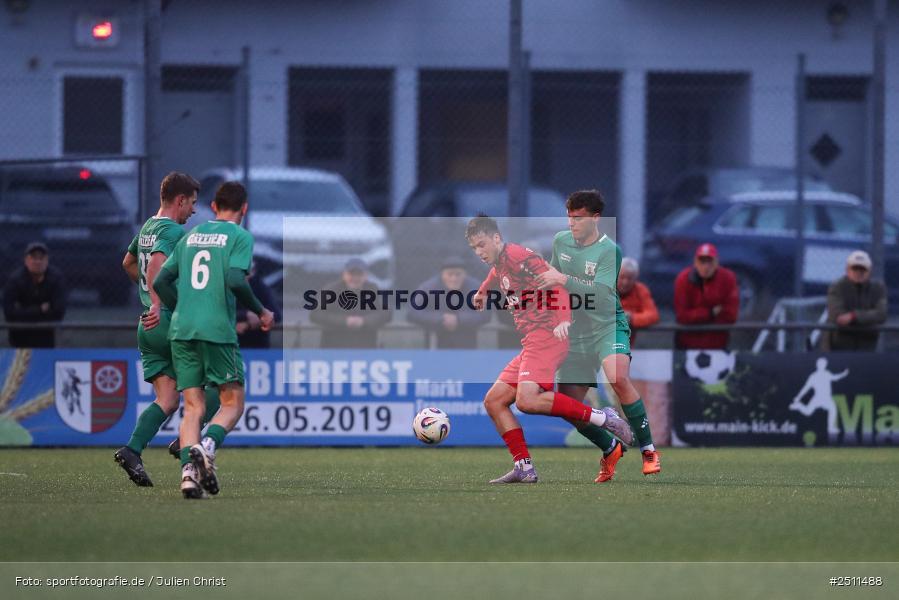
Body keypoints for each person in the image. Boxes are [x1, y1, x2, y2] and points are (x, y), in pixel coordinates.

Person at [467, 215, 633, 484]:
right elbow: (497, 272)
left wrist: (564, 319)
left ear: (497, 238)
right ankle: (524, 467)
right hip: (531, 341)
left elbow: (556, 282)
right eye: (474, 248)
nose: (479, 252)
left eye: (482, 244)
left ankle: (603, 417)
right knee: (494, 401)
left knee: (527, 400)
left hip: (547, 337)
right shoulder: (501, 261)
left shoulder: (519, 255)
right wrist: (484, 290)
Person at [154, 181, 275, 499]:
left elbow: (161, 280)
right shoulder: (239, 236)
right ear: (244, 209)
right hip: (218, 330)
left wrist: (181, 306)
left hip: (182, 330)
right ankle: (207, 446)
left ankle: (189, 478)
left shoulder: (190, 235)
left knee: (193, 407)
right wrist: (261, 310)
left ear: (213, 207)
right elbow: (236, 278)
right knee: (232, 403)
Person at [536, 190, 661, 482]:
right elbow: (554, 282)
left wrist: (563, 279)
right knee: (569, 406)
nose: (571, 224)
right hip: (575, 331)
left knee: (617, 376)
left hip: (607, 324)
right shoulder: (561, 241)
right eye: (569, 217)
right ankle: (610, 446)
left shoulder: (610, 250)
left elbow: (602, 295)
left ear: (595, 218)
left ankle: (649, 450)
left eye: (578, 218)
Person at [114, 172, 218, 487]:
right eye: (192, 204)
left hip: (148, 325)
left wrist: (148, 298)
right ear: (179, 200)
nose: (194, 212)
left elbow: (128, 263)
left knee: (168, 399)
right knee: (219, 385)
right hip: (168, 321)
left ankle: (132, 450)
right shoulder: (171, 231)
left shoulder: (148, 226)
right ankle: (188, 442)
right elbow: (157, 263)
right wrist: (159, 303)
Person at [406, 256, 489, 348]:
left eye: (458, 274)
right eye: (450, 274)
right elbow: (412, 311)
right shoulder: (429, 288)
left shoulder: (476, 288)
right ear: (442, 275)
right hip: (436, 339)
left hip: (466, 338)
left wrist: (458, 319)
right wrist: (441, 318)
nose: (454, 278)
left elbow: (485, 313)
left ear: (465, 274)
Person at [310, 258, 390, 348]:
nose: (355, 278)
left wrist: (364, 321)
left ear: (366, 276)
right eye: (351, 274)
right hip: (334, 347)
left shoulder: (373, 289)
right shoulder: (331, 290)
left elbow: (386, 313)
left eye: (359, 274)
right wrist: (345, 321)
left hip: (365, 347)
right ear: (344, 275)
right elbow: (315, 314)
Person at [673, 243, 739, 350]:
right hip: (687, 344)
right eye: (702, 261)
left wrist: (695, 316)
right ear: (695, 262)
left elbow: (731, 316)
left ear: (717, 262)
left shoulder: (728, 278)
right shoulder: (683, 279)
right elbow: (682, 317)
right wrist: (710, 313)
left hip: (717, 344)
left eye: (710, 262)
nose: (706, 266)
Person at [3, 242, 67, 348]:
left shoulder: (56, 279)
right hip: (20, 338)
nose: (37, 262)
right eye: (33, 258)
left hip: (47, 337)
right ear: (26, 260)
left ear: (47, 261)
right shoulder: (15, 280)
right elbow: (9, 314)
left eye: (41, 258)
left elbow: (58, 313)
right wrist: (40, 310)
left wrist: (23, 311)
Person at [824, 250, 887, 351]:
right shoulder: (837, 286)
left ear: (869, 271)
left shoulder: (878, 288)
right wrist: (867, 318)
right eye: (855, 268)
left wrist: (853, 316)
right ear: (847, 270)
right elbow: (838, 316)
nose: (858, 272)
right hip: (838, 346)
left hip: (866, 347)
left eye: (862, 269)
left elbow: (881, 314)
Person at [236, 262, 282, 349]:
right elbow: (218, 313)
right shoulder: (225, 287)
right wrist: (245, 315)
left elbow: (276, 315)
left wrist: (248, 324)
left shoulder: (259, 286)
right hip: (229, 344)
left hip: (257, 346)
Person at [617, 256, 659, 346]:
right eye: (622, 277)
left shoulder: (641, 290)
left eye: (629, 278)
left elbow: (653, 315)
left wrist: (630, 318)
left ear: (635, 278)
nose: (625, 282)